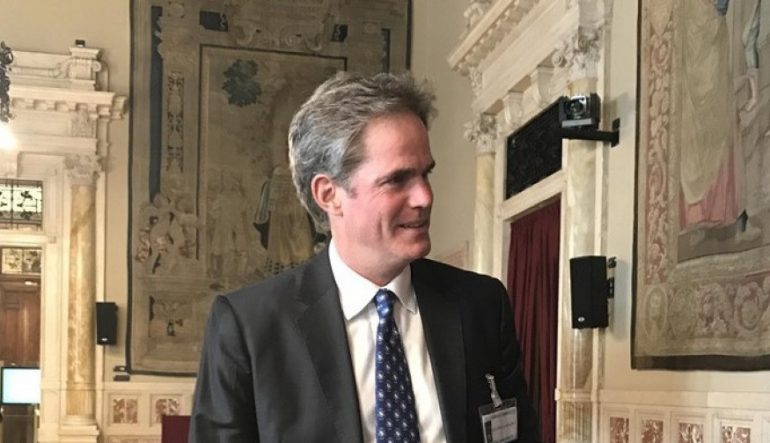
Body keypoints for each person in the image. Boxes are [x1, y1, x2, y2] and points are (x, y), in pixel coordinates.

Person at [190, 72, 538, 442]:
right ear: (329, 194)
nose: (424, 197)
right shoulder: (248, 327)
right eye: (397, 180)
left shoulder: (480, 305)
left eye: (425, 174)